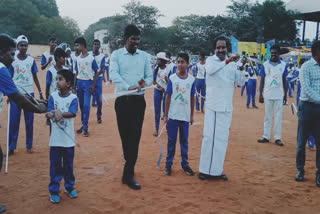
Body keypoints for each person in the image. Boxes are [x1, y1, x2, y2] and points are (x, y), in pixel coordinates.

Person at [0, 34, 46, 214]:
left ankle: (28, 143)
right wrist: (40, 109)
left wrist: (36, 99)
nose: (13, 57)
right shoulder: (2, 69)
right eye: (11, 54)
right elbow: (17, 97)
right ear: (1, 53)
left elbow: (18, 92)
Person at [110, 24, 152, 190]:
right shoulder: (117, 55)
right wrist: (128, 87)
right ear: (126, 39)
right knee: (125, 136)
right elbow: (114, 74)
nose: (136, 42)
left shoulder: (145, 56)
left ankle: (128, 174)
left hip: (138, 102)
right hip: (122, 101)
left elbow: (149, 76)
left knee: (135, 136)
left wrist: (142, 84)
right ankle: (130, 160)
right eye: (133, 38)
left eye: (138, 39)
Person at [198, 35, 246, 180]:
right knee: (209, 138)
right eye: (218, 47)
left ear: (227, 48)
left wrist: (242, 68)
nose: (221, 49)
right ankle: (204, 170)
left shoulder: (232, 64)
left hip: (226, 106)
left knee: (222, 139)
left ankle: (217, 171)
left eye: (223, 47)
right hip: (213, 105)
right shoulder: (210, 61)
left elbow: (241, 82)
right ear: (214, 49)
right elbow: (212, 71)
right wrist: (229, 60)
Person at [46, 69, 78, 203]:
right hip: (55, 140)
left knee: (69, 165)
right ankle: (54, 190)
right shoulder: (53, 96)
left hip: (68, 140)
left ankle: (69, 187)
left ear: (69, 84)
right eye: (56, 79)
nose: (57, 82)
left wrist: (61, 114)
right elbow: (49, 111)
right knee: (55, 165)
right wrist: (50, 114)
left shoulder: (73, 98)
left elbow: (73, 113)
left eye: (60, 79)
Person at [8, 35, 44, 155]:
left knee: (29, 120)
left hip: (29, 94)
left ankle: (29, 145)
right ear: (17, 46)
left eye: (25, 45)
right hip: (15, 93)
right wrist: (9, 94)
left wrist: (39, 92)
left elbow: (35, 76)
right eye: (21, 45)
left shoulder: (31, 60)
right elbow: (9, 77)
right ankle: (12, 146)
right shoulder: (12, 60)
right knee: (14, 121)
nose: (23, 47)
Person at [164, 53, 196, 176]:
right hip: (173, 116)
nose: (180, 64)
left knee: (184, 141)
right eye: (178, 62)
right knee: (171, 141)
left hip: (185, 116)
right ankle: (168, 164)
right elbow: (168, 97)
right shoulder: (172, 78)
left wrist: (192, 115)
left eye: (183, 62)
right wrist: (166, 115)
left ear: (188, 64)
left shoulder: (192, 79)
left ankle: (185, 164)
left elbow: (192, 98)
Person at [295, 41, 320, 185]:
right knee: (301, 142)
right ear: (316, 52)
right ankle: (300, 170)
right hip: (307, 108)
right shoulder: (306, 67)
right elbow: (307, 89)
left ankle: (319, 173)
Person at [257, 45, 288, 146]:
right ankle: (266, 136)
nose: (273, 54)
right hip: (268, 94)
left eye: (275, 53)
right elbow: (262, 80)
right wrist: (260, 94)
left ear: (279, 54)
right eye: (272, 53)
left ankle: (277, 138)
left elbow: (284, 81)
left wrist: (285, 95)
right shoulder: (265, 64)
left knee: (278, 117)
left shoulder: (283, 65)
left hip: (279, 95)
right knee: (267, 116)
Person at [74, 37, 99, 137]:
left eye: (77, 45)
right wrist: (75, 86)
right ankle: (83, 125)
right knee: (81, 106)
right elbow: (76, 73)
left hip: (88, 83)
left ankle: (85, 127)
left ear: (83, 46)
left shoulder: (91, 58)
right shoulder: (78, 58)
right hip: (80, 83)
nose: (76, 47)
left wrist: (93, 85)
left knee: (87, 106)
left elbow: (96, 71)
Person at [153, 52, 170, 136]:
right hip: (157, 91)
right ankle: (156, 129)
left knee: (166, 111)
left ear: (163, 61)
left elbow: (171, 82)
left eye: (158, 60)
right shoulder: (156, 68)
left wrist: (167, 82)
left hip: (166, 92)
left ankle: (167, 128)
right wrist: (160, 87)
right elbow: (154, 81)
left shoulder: (168, 69)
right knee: (157, 110)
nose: (157, 61)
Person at [89, 39, 106, 123]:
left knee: (99, 99)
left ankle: (99, 116)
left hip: (98, 78)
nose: (96, 46)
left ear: (99, 46)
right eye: (94, 44)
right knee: (86, 98)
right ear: (93, 45)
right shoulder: (88, 54)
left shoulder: (102, 56)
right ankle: (85, 118)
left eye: (97, 44)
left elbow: (102, 70)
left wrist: (96, 76)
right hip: (89, 78)